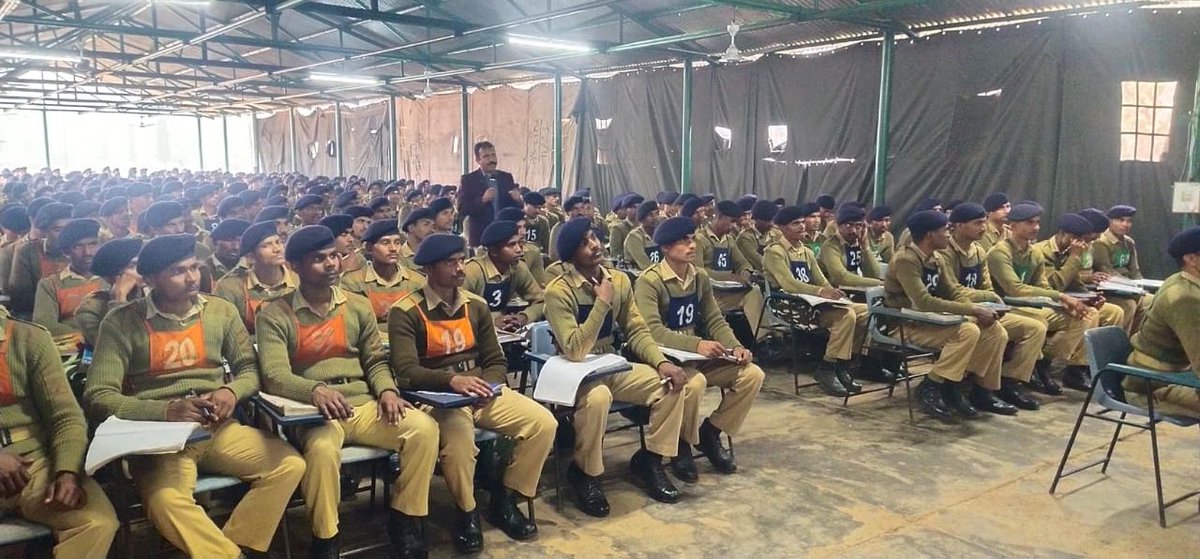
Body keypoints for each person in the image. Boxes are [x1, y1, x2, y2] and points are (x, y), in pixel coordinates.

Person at [84, 234, 306, 559]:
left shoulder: (220, 311)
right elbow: (98, 395)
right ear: (149, 280)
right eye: (178, 271)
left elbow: (249, 369)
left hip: (217, 429)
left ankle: (237, 546)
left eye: (194, 268)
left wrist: (232, 390)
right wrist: (164, 410)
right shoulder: (121, 322)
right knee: (164, 501)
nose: (192, 278)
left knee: (289, 465)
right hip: (159, 440)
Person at [256, 225, 438, 558]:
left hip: (363, 405)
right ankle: (326, 538)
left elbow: (374, 360)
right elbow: (274, 375)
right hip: (315, 413)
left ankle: (406, 519)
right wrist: (315, 390)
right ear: (294, 265)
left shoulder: (356, 305)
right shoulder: (274, 313)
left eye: (334, 256)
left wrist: (386, 390)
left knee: (423, 429)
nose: (331, 265)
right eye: (318, 259)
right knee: (323, 451)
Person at [389, 233, 555, 553]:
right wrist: (451, 382)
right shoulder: (406, 311)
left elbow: (495, 360)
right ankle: (467, 511)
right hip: (435, 398)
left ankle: (507, 498)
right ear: (429, 269)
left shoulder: (475, 306)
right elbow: (406, 372)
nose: (459, 268)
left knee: (543, 423)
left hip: (480, 390)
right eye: (449, 263)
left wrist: (490, 387)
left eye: (461, 260)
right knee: (460, 441)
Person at [543, 218, 702, 516]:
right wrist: (602, 303)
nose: (593, 245)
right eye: (583, 243)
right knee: (598, 397)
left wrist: (661, 362)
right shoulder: (558, 291)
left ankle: (651, 460)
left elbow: (638, 330)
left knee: (673, 384)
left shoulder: (618, 280)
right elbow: (575, 349)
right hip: (574, 372)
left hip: (611, 364)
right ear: (570, 255)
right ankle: (584, 473)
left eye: (593, 237)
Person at [633, 216, 765, 481]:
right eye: (683, 242)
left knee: (752, 374)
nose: (692, 245)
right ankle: (680, 445)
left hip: (696, 355)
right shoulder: (650, 281)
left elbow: (715, 319)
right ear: (666, 248)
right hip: (664, 358)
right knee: (695, 383)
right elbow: (652, 330)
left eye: (692, 239)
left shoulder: (699, 277)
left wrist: (735, 346)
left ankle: (711, 433)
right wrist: (697, 344)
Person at [0, 306, 119, 558]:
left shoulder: (28, 339)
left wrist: (66, 471)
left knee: (96, 522)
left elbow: (65, 417)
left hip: (34, 463)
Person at [883, 210, 1016, 419]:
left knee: (996, 331)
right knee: (967, 331)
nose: (948, 234)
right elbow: (924, 301)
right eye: (945, 230)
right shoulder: (906, 260)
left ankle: (974, 387)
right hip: (902, 323)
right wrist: (973, 310)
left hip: (927, 319)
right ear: (929, 235)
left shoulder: (935, 258)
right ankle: (932, 385)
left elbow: (952, 292)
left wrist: (983, 306)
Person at [937, 203, 1047, 411]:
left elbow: (986, 286)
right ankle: (957, 384)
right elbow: (953, 290)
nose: (983, 228)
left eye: (983, 223)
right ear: (959, 226)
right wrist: (987, 297)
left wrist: (988, 299)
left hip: (983, 310)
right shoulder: (945, 252)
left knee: (1035, 328)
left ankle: (1003, 384)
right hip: (957, 310)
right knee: (996, 333)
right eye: (977, 223)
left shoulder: (978, 251)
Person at [987, 202, 1096, 395]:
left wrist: (1062, 303)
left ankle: (1044, 362)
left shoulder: (1033, 252)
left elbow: (1043, 286)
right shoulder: (999, 252)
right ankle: (1010, 379)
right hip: (1006, 306)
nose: (1036, 227)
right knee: (1038, 324)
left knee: (1083, 315)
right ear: (1012, 226)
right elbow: (1015, 289)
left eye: (1037, 222)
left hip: (1030, 305)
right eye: (1029, 223)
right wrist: (1061, 297)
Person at [761, 205, 870, 397]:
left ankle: (844, 363)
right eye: (796, 223)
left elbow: (822, 280)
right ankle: (828, 367)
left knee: (866, 311)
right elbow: (789, 284)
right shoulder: (774, 252)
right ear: (781, 228)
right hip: (787, 304)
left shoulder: (807, 252)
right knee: (845, 316)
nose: (802, 226)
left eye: (803, 222)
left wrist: (833, 292)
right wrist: (821, 291)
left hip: (810, 302)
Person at [1033, 213, 1126, 389]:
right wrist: (1075, 257)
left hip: (1069, 299)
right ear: (1062, 234)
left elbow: (1075, 283)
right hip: (1048, 300)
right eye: (1076, 238)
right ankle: (1044, 362)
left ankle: (1081, 366)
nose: (1081, 244)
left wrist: (1091, 298)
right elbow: (1054, 285)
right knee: (1087, 315)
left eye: (1082, 240)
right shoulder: (1041, 251)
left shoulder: (1071, 251)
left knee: (1114, 311)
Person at [1122, 226, 1200, 418]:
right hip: (1153, 386)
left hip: (1173, 377)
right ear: (1191, 259)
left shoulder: (1185, 283)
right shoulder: (1185, 298)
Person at [691, 200, 765, 344]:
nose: (733, 226)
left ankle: (764, 341)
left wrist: (745, 271)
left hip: (727, 291)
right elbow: (698, 270)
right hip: (708, 293)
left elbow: (743, 262)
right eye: (731, 222)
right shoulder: (699, 239)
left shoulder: (729, 240)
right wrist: (729, 276)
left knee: (753, 292)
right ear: (719, 217)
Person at [214, 220, 298, 335]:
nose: (277, 249)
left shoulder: (299, 279)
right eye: (266, 245)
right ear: (251, 256)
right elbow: (222, 331)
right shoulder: (230, 287)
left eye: (278, 242)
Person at [32, 219, 105, 351]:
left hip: (114, 346)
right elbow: (45, 324)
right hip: (72, 350)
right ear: (66, 252)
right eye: (78, 246)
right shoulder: (51, 284)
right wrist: (90, 338)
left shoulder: (112, 278)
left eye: (93, 244)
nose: (87, 252)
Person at [341, 219, 426, 328]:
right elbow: (354, 323)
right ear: (369, 248)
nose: (393, 249)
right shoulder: (353, 282)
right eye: (385, 243)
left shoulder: (417, 281)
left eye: (397, 242)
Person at [463, 220, 544, 331]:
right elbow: (457, 309)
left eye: (518, 243)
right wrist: (490, 322)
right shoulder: (472, 271)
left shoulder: (518, 268)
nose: (519, 250)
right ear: (494, 251)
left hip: (504, 332)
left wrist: (523, 317)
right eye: (511, 245)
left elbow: (540, 301)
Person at [1092, 204, 1152, 332]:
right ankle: (1120, 340)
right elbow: (1107, 272)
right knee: (1129, 305)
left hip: (1129, 286)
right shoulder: (1101, 242)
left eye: (1129, 221)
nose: (1125, 224)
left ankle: (1134, 338)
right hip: (1110, 288)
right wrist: (1130, 286)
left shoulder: (1129, 242)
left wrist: (1140, 287)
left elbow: (1135, 271)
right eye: (1120, 220)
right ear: (1110, 221)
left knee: (1150, 301)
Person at [75, 238, 143, 349]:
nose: (142, 271)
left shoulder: (152, 296)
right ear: (114, 276)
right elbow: (114, 348)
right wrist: (119, 300)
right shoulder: (90, 309)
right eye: (132, 266)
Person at [9, 202, 72, 318]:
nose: (64, 235)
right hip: (39, 311)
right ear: (45, 230)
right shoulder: (27, 251)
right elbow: (21, 296)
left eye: (68, 230)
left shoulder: (82, 250)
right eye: (57, 230)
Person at [457, 141, 520, 246]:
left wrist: (518, 200)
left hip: (504, 235)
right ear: (478, 160)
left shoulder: (506, 177)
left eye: (493, 155)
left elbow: (514, 208)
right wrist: (482, 200)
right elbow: (462, 208)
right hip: (481, 236)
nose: (491, 160)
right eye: (486, 156)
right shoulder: (469, 180)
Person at [820, 204, 884, 287]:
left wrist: (865, 247)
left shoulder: (858, 243)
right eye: (849, 225)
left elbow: (873, 274)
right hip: (834, 292)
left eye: (858, 226)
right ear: (838, 226)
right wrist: (879, 283)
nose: (854, 231)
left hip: (855, 290)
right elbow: (841, 278)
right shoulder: (830, 246)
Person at [203, 218, 250, 290]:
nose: (236, 247)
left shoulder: (254, 268)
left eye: (241, 241)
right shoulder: (202, 270)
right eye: (229, 240)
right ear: (214, 242)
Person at [735, 200, 779, 272]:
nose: (771, 224)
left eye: (772, 220)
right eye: (767, 221)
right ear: (756, 219)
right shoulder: (745, 238)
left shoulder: (773, 234)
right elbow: (760, 263)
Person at [623, 200, 664, 272]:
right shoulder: (634, 237)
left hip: (659, 273)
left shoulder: (659, 234)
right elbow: (644, 265)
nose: (655, 217)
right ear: (642, 219)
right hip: (640, 276)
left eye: (657, 213)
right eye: (650, 215)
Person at [607, 194, 642, 263]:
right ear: (626, 210)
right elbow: (615, 254)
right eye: (633, 207)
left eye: (639, 207)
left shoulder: (644, 226)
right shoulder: (618, 228)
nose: (637, 210)